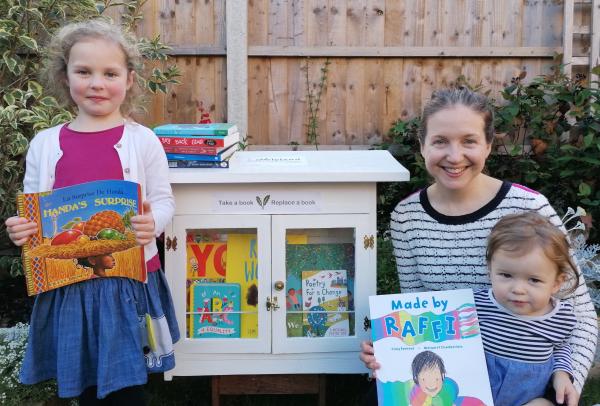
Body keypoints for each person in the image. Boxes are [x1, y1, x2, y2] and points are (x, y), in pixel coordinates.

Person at [359, 87, 598, 404]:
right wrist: (395, 350)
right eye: (440, 141)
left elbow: (581, 318)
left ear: (487, 146)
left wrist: (565, 382)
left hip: (531, 393)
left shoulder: (529, 207)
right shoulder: (407, 217)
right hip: (454, 390)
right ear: (422, 146)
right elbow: (417, 313)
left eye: (469, 141)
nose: (454, 156)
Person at [4, 19, 179, 404]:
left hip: (128, 284)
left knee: (129, 385)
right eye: (83, 71)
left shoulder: (143, 140)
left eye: (109, 73)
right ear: (65, 77)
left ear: (129, 79)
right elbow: (34, 211)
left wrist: (154, 223)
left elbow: (164, 200)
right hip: (69, 285)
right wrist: (22, 229)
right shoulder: (45, 144)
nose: (96, 83)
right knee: (83, 384)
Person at [475, 211, 579, 405]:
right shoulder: (475, 304)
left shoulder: (561, 317)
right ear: (490, 269)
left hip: (526, 399)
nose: (518, 289)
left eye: (534, 280)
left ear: (556, 283)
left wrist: (562, 373)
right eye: (506, 275)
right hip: (477, 394)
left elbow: (561, 347)